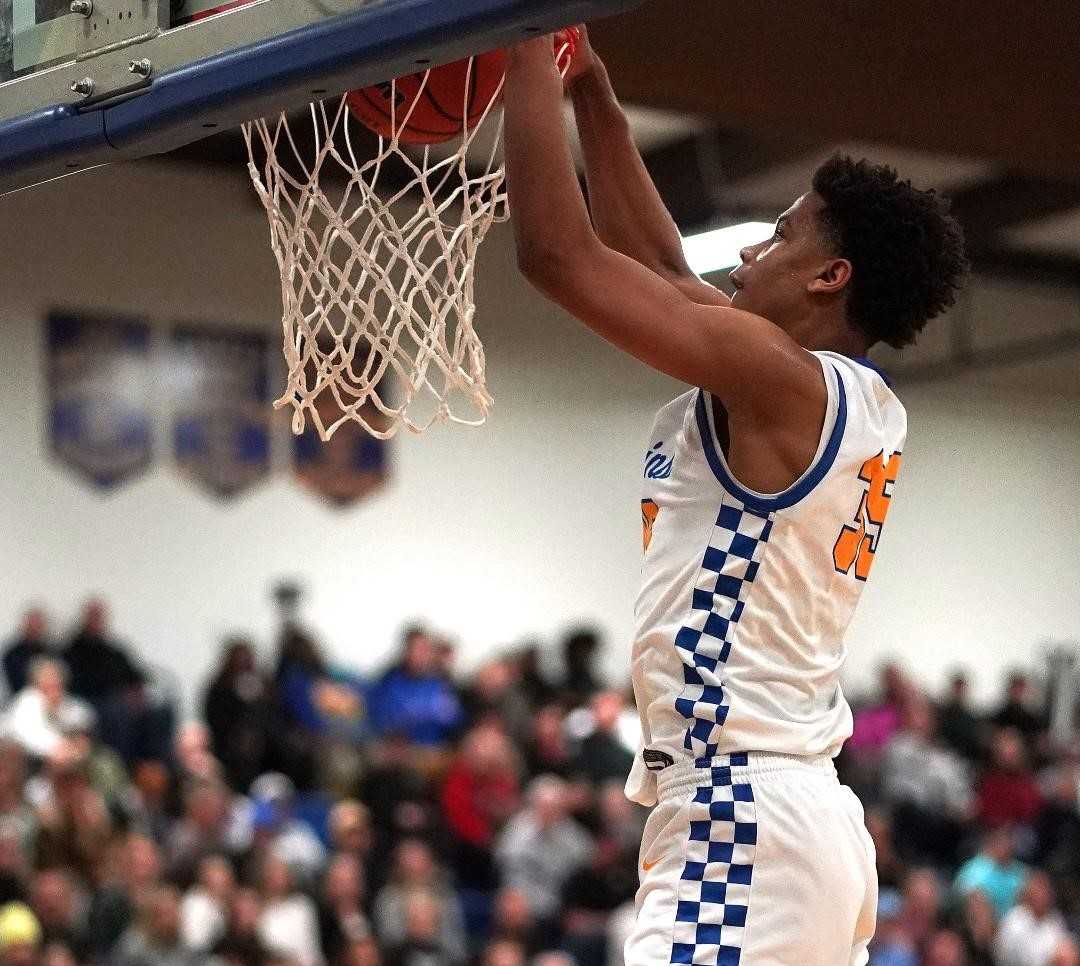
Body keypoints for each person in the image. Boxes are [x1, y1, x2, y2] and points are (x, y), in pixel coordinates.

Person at [502, 23, 966, 966]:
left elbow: (558, 255)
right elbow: (664, 270)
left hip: (742, 814)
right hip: (792, 816)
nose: (758, 242)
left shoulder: (781, 381)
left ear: (831, 276)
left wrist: (509, 35)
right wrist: (587, 86)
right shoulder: (828, 391)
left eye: (785, 231)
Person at [1, 611, 50, 699]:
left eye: (37, 626)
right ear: (24, 626)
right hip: (19, 699)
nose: (34, 629)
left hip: (47, 699)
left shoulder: (50, 652)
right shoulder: (12, 654)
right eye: (32, 625)